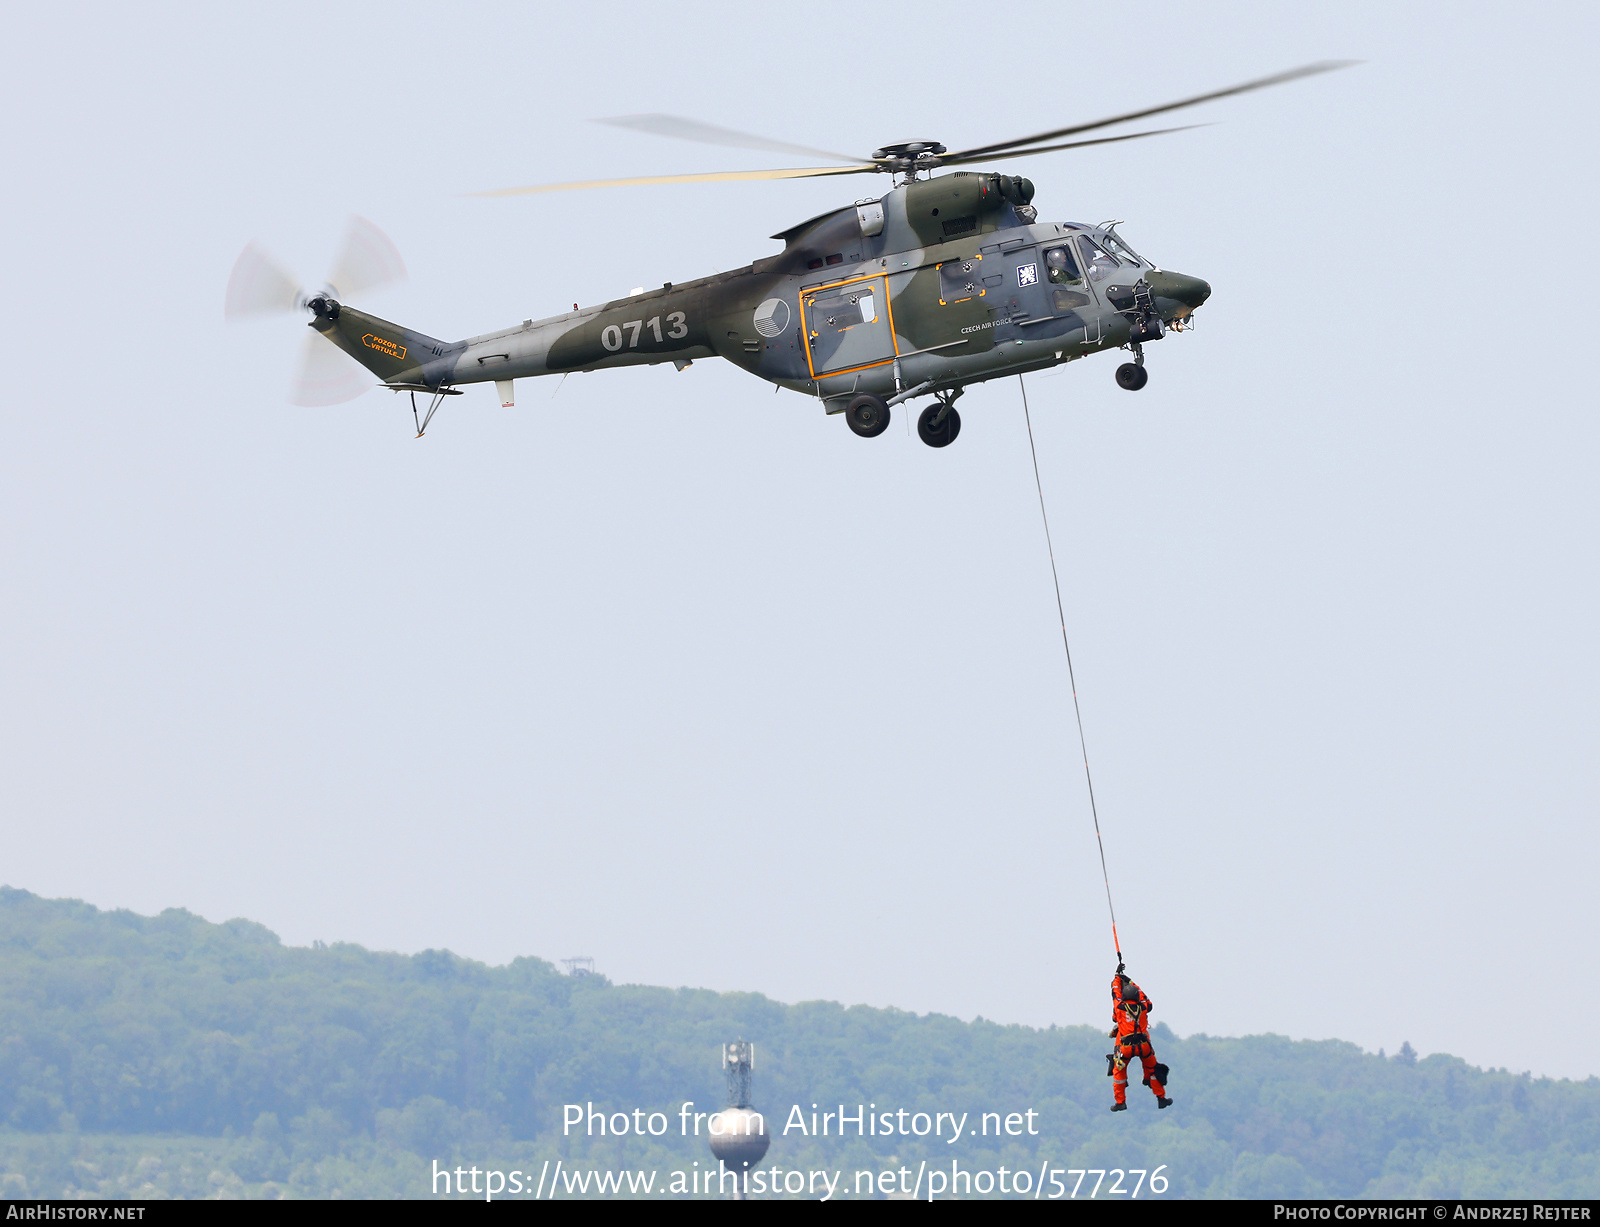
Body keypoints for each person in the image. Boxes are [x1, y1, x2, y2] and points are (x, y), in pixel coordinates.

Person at [1108, 964, 1172, 1111]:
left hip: (1126, 1048)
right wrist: (1130, 981)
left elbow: (1114, 992)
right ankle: (1161, 1098)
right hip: (1144, 1046)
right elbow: (1146, 1000)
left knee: (1119, 1073)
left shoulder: (1119, 1007)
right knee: (1153, 1069)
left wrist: (1117, 977)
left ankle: (1120, 1102)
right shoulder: (1143, 1007)